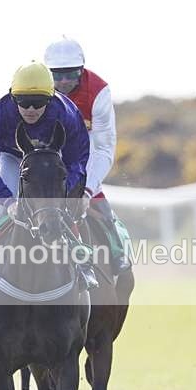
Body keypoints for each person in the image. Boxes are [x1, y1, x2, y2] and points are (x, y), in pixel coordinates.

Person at [0, 61, 90, 290]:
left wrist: (65, 192)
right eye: (23, 102)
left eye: (39, 102)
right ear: (12, 96)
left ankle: (83, 264)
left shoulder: (67, 113)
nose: (31, 109)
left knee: (61, 208)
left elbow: (77, 160)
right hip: (12, 157)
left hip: (51, 158)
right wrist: (7, 201)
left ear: (51, 98)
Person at [44, 37, 131, 275]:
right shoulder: (36, 88)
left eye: (71, 74)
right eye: (57, 75)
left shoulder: (98, 91)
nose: (63, 81)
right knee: (1, 207)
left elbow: (103, 149)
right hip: (46, 157)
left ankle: (118, 255)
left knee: (104, 214)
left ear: (82, 69)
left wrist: (87, 191)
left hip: (86, 154)